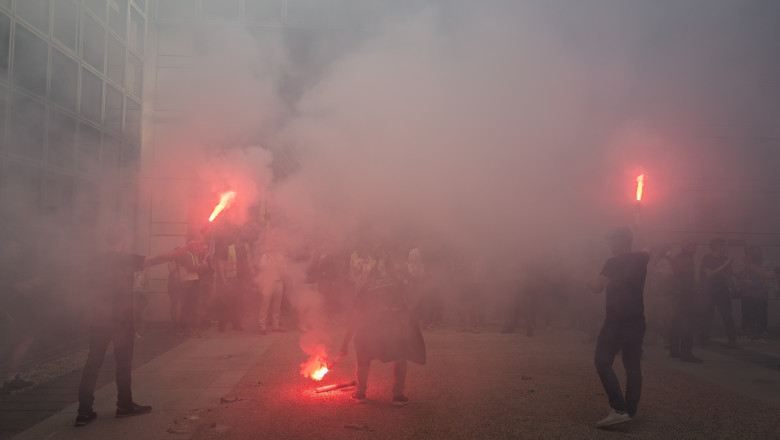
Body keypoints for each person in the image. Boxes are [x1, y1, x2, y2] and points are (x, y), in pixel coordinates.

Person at [75, 226, 198, 427]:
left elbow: (85, 287)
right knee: (123, 363)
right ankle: (124, 405)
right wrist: (185, 248)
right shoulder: (125, 259)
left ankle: (83, 411)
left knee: (93, 362)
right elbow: (159, 258)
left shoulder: (94, 261)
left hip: (99, 317)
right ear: (122, 240)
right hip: (122, 318)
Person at [339, 257, 426, 406]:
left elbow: (355, 317)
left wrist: (344, 344)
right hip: (392, 325)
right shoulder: (397, 283)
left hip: (370, 326)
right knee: (400, 355)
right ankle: (397, 396)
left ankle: (360, 394)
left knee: (364, 357)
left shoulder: (365, 287)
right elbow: (408, 306)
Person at [587, 227, 649, 428]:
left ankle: (619, 409)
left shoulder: (613, 263)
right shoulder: (641, 259)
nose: (610, 245)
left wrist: (590, 279)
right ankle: (629, 411)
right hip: (637, 320)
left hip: (616, 321)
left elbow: (597, 287)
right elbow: (647, 251)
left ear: (622, 241)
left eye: (613, 241)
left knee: (602, 361)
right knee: (632, 366)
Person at [0, 238, 43, 394]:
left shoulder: (10, 266)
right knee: (25, 339)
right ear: (5, 248)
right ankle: (10, 379)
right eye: (14, 247)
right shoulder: (6, 267)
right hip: (6, 311)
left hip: (10, 310)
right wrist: (35, 282)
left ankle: (12, 376)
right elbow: (17, 288)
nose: (18, 250)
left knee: (12, 341)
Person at [668, 240, 703, 363]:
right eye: (690, 245)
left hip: (679, 294)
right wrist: (692, 289)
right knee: (687, 324)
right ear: (684, 247)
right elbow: (683, 277)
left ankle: (674, 350)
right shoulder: (685, 259)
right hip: (685, 295)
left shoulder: (680, 258)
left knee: (677, 323)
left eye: (694, 244)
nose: (694, 246)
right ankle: (686, 353)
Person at [699, 238, 736, 347]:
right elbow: (709, 274)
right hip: (709, 291)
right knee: (707, 315)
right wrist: (726, 264)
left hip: (722, 291)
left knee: (727, 316)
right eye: (723, 245)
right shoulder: (707, 258)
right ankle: (703, 339)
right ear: (717, 246)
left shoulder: (724, 258)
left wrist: (731, 276)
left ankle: (732, 339)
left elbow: (728, 275)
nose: (725, 248)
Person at [739, 245, 775, 341]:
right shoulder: (748, 263)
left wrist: (748, 281)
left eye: (757, 252)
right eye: (753, 252)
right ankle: (748, 332)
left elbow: (764, 276)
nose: (755, 254)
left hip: (760, 292)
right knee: (748, 313)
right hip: (748, 293)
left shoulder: (764, 263)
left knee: (760, 314)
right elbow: (744, 275)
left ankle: (761, 332)